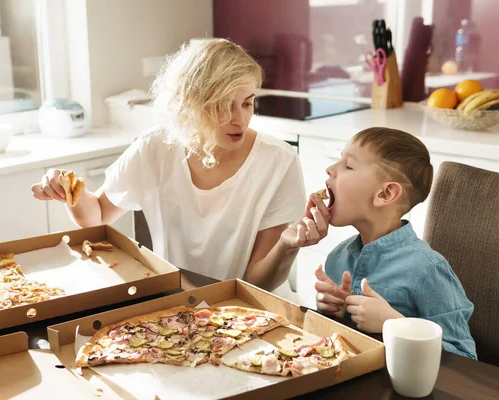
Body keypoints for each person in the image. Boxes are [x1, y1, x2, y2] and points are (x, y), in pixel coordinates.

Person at [31, 38, 329, 292]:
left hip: (249, 311)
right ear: (192, 104)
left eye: (247, 103)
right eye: (223, 105)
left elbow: (256, 283)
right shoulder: (156, 148)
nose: (239, 118)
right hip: (175, 302)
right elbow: (98, 213)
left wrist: (288, 246)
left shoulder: (277, 161)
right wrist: (68, 188)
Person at [314, 127, 477, 359]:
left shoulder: (428, 269)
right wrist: (331, 311)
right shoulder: (337, 257)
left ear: (385, 194)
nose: (330, 169)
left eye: (348, 166)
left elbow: (465, 357)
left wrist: (395, 324)